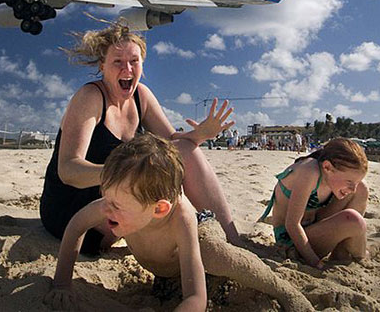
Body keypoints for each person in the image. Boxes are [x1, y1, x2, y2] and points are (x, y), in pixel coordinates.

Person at [45, 134, 313, 312]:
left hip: (202, 229)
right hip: (169, 271)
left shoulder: (180, 218)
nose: (105, 208)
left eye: (115, 204)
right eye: (105, 196)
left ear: (159, 208)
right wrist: (62, 283)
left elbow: (196, 299)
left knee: (212, 252)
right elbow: (76, 226)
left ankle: (284, 290)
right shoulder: (114, 203)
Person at [40, 22, 239, 258]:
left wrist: (200, 134)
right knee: (146, 195)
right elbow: (68, 169)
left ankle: (233, 241)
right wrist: (125, 174)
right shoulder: (90, 97)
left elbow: (172, 143)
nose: (127, 69)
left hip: (121, 196)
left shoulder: (141, 96)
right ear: (102, 66)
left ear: (142, 65)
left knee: (187, 148)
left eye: (134, 61)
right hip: (75, 208)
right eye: (117, 62)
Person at [259, 137, 369, 269]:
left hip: (313, 227)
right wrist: (315, 262)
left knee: (362, 190)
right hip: (292, 241)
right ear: (327, 167)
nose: (352, 189)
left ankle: (342, 251)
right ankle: (361, 254)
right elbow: (292, 224)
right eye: (350, 182)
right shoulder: (309, 171)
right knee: (354, 221)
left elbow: (356, 189)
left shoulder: (327, 174)